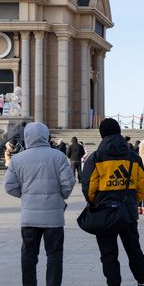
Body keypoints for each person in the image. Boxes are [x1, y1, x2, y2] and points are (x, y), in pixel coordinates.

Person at [81, 118, 144, 286]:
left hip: (104, 212)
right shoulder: (133, 157)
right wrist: (133, 202)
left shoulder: (96, 158)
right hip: (127, 212)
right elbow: (143, 185)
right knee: (134, 249)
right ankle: (142, 281)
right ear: (119, 132)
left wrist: (95, 203)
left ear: (101, 135)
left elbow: (89, 188)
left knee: (108, 254)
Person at [4, 122, 75, 286]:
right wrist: (61, 197)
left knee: (28, 255)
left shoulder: (18, 159)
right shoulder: (57, 156)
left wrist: (25, 196)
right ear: (45, 136)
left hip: (29, 217)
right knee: (54, 255)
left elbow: (8, 186)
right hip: (54, 218)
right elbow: (68, 183)